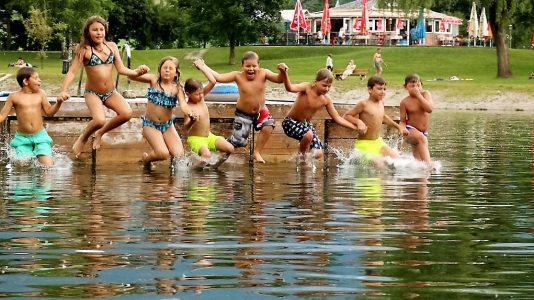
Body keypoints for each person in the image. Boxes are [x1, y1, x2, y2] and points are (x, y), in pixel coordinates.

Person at [57, 16, 149, 157]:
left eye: (101, 29)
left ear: (105, 31)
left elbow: (122, 69)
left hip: (111, 92)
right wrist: (64, 90)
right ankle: (83, 138)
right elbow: (72, 71)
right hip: (93, 93)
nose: (99, 33)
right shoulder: (85, 50)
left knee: (127, 113)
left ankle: (100, 133)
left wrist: (137, 71)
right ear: (88, 32)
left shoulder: (111, 46)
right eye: (95, 30)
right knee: (99, 120)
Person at [196, 51, 284, 163]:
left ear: (259, 65)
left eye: (254, 66)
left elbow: (279, 79)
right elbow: (218, 77)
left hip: (260, 111)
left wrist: (282, 71)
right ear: (242, 66)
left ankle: (257, 152)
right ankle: (218, 149)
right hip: (243, 114)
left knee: (269, 125)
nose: (251, 69)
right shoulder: (237, 76)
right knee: (239, 142)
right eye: (247, 66)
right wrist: (204, 66)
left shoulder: (264, 73)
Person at [278, 65, 358, 160]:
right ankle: (302, 155)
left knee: (319, 153)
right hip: (290, 122)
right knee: (308, 134)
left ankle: (303, 155)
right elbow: (290, 88)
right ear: (316, 82)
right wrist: (284, 73)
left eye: (329, 86)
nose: (327, 89)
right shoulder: (307, 88)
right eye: (324, 85)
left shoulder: (326, 100)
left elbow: (337, 118)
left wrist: (354, 127)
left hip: (306, 126)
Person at [127, 56, 186, 166]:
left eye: (170, 68)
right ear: (160, 70)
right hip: (151, 125)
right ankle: (146, 160)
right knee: (163, 154)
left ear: (176, 73)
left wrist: (190, 112)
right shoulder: (153, 80)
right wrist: (139, 71)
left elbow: (184, 106)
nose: (167, 70)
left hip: (167, 126)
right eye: (165, 67)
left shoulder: (178, 89)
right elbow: (130, 76)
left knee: (180, 157)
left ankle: (174, 179)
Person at [0, 67, 65, 166]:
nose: (39, 80)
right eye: (36, 78)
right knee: (22, 164)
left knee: (47, 165)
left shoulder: (41, 94)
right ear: (26, 81)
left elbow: (50, 112)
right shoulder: (14, 97)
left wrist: (59, 102)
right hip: (22, 138)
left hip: (40, 136)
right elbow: (2, 115)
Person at [343, 76, 408, 168]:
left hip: (378, 142)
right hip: (364, 145)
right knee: (380, 165)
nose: (383, 92)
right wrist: (358, 122)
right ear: (370, 89)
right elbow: (346, 116)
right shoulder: (363, 104)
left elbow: (383, 117)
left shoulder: (381, 103)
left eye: (384, 89)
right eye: (379, 89)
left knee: (398, 161)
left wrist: (398, 127)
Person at [183, 58, 235, 168]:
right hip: (196, 139)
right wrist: (192, 121)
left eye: (202, 93)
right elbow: (185, 128)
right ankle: (189, 172)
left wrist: (202, 67)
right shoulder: (188, 107)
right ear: (188, 94)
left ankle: (215, 167)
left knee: (230, 148)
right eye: (197, 94)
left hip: (209, 137)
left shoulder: (201, 99)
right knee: (206, 155)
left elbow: (213, 81)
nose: (201, 96)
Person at [399, 74, 433, 165]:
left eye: (418, 85)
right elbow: (402, 121)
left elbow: (429, 109)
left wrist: (419, 96)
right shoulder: (404, 102)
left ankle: (419, 177)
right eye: (412, 86)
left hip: (423, 132)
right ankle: (430, 166)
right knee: (422, 140)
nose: (416, 88)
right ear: (405, 87)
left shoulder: (425, 94)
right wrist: (402, 128)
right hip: (410, 130)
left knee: (419, 162)